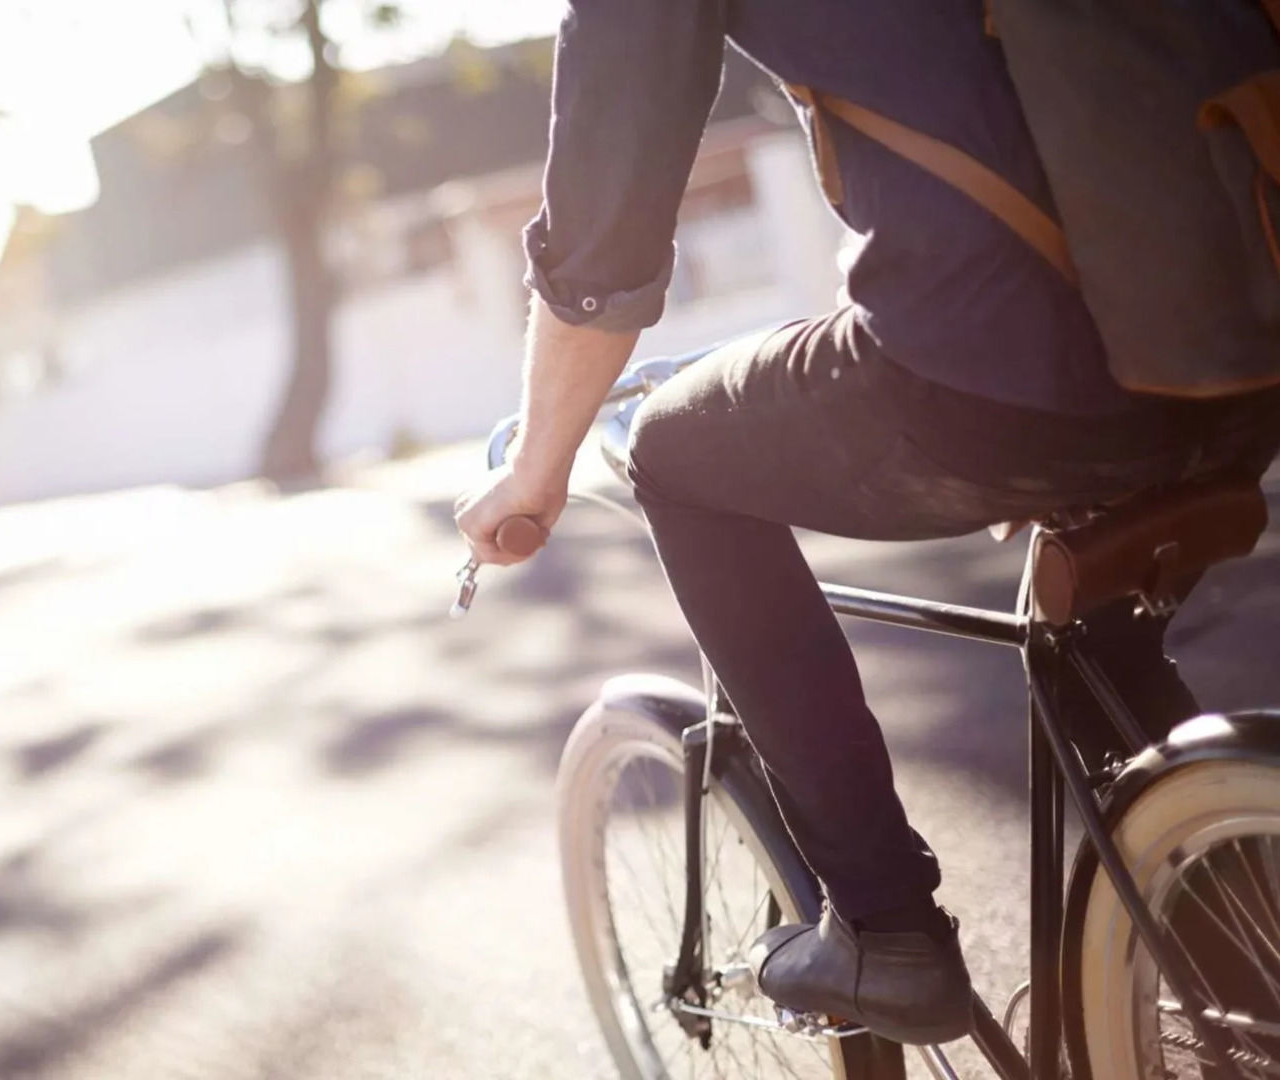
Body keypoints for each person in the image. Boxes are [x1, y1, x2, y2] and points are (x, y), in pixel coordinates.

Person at [453, 0, 1280, 1046]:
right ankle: (1246, 985)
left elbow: (601, 236)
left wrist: (535, 468)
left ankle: (884, 929)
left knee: (674, 456)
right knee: (1098, 641)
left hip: (1010, 366)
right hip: (1239, 342)